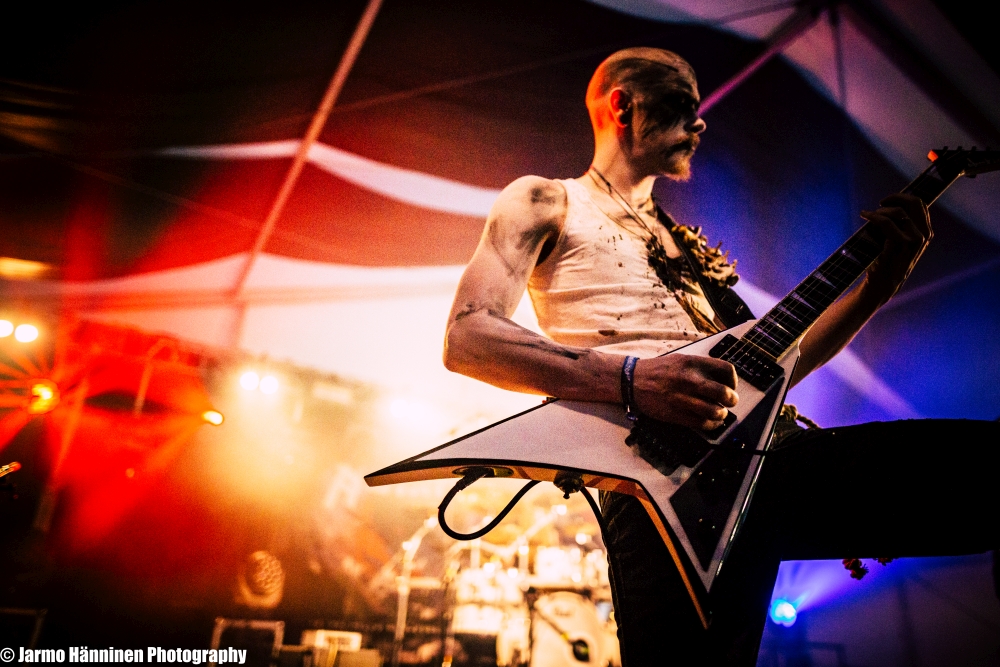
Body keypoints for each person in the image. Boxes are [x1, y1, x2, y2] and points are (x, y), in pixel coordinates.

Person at [442, 47, 999, 665]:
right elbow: (469, 336)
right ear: (623, 105)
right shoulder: (547, 200)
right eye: (682, 103)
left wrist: (878, 287)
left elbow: (778, 369)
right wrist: (635, 379)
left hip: (767, 459)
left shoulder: (684, 244)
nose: (700, 121)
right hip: (655, 482)